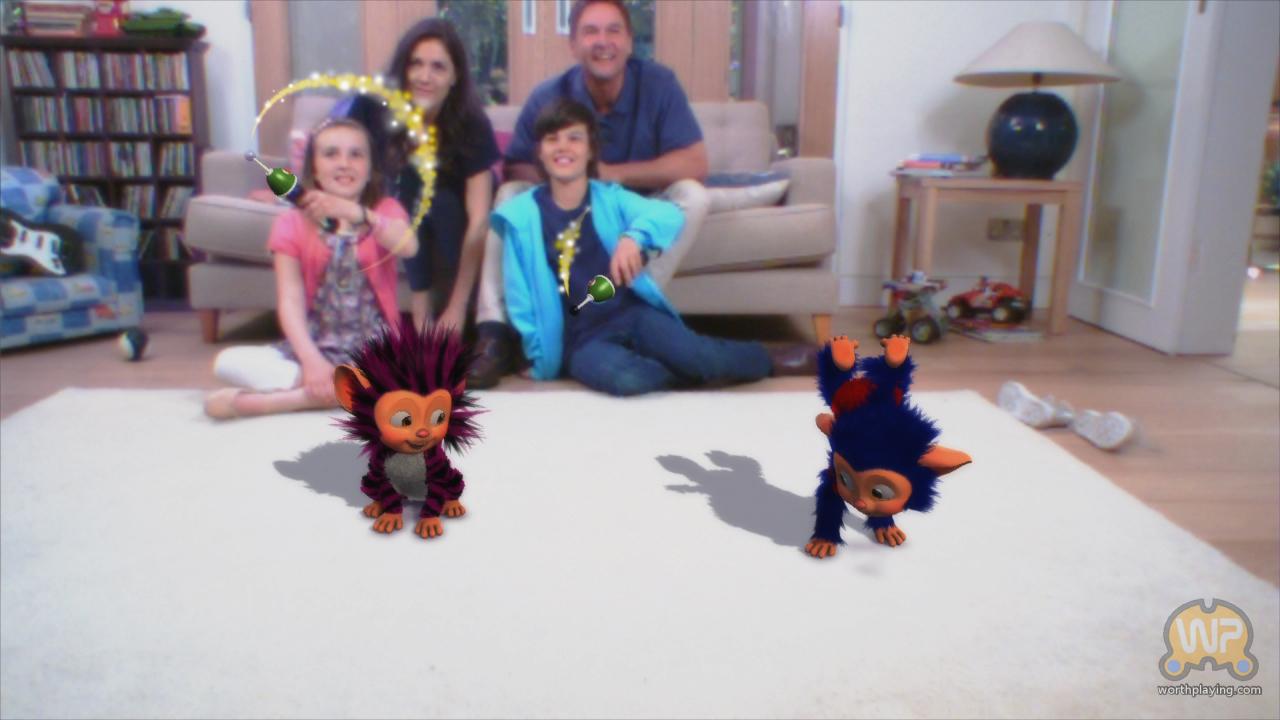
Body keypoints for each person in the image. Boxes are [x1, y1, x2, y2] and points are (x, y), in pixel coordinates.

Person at [468, 0, 713, 388]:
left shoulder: (659, 84)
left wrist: (611, 175)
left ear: (630, 42)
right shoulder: (549, 94)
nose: (603, 41)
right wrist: (570, 181)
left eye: (613, 30)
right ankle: (494, 333)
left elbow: (695, 162)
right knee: (509, 197)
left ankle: (632, 305)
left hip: (635, 212)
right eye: (591, 31)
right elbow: (516, 166)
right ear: (573, 44)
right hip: (574, 209)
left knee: (695, 196)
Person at [492, 99, 811, 397]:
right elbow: (519, 296)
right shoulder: (521, 214)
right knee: (628, 380)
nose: (563, 147)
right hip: (582, 341)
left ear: (590, 150)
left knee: (700, 356)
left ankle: (767, 358)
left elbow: (669, 214)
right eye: (552, 139)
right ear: (540, 152)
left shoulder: (610, 196)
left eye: (574, 138)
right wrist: (540, 359)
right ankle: (685, 371)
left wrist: (634, 238)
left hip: (631, 313)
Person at [204, 118, 416, 419]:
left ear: (370, 169)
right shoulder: (290, 223)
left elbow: (409, 246)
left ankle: (287, 400)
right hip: (316, 345)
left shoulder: (384, 211)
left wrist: (358, 213)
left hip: (376, 350)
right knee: (226, 362)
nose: (344, 164)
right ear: (314, 168)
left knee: (411, 372)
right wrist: (312, 361)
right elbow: (290, 299)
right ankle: (338, 388)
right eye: (331, 154)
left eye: (356, 155)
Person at [334, 18, 499, 334]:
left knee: (429, 187)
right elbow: (336, 158)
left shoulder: (472, 123)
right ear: (403, 68)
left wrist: (457, 306)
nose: (425, 76)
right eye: (416, 64)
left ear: (455, 76)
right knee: (407, 182)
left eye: (438, 67)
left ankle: (450, 311)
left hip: (451, 222)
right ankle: (420, 303)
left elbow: (479, 219)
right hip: (393, 208)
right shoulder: (372, 106)